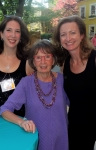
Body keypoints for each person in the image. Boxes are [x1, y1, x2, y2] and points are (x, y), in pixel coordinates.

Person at [0, 40, 69, 150]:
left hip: (61, 141)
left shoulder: (62, 80)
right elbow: (5, 110)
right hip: (36, 141)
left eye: (47, 56)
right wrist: (22, 122)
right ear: (33, 61)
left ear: (53, 60)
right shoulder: (26, 83)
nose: (43, 61)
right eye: (38, 57)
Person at [52, 15, 96, 150]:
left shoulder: (94, 59)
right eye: (63, 34)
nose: (68, 38)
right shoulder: (65, 64)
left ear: (82, 35)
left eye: (72, 33)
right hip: (74, 124)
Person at [0, 16, 33, 117]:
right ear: (1, 34)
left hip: (15, 119)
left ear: (21, 36)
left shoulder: (27, 62)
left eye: (17, 31)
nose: (13, 35)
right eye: (9, 30)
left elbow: (34, 90)